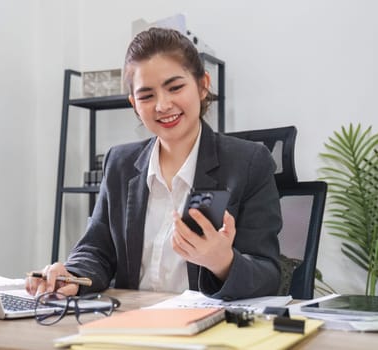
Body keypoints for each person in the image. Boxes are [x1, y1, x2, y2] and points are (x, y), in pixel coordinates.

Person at [26, 27, 282, 300]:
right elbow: (97, 249)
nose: (162, 105)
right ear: (134, 103)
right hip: (130, 320)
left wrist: (223, 262)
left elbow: (268, 275)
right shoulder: (120, 164)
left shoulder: (248, 162)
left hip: (205, 326)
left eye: (175, 87)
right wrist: (72, 275)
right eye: (146, 96)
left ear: (203, 85)